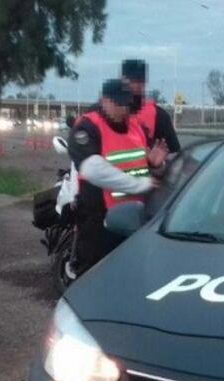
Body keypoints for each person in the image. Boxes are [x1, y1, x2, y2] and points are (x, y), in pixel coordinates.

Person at [69, 79, 168, 273]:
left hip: (134, 221)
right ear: (104, 100)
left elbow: (141, 162)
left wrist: (155, 165)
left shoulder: (136, 126)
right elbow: (93, 169)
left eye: (126, 103)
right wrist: (139, 185)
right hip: (99, 222)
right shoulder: (87, 127)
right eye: (118, 103)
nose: (123, 109)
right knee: (94, 279)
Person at [120, 59, 181, 154]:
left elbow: (174, 155)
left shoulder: (160, 116)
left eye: (139, 81)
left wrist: (158, 164)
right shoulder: (103, 112)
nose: (135, 85)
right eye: (132, 80)